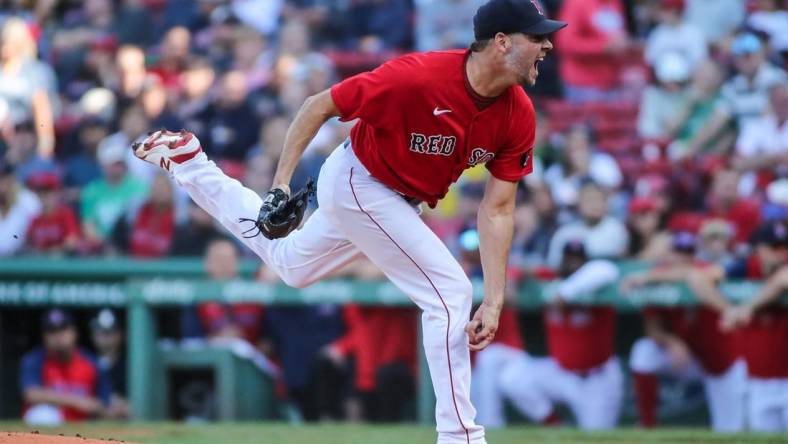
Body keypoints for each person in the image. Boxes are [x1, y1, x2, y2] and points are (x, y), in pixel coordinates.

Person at [132, 1, 566, 442]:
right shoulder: (418, 77)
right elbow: (317, 106)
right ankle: (462, 437)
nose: (548, 44)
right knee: (451, 294)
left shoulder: (518, 114)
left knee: (290, 266)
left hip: (397, 200)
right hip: (361, 179)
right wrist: (281, 184)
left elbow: (497, 209)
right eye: (537, 36)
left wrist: (493, 299)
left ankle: (190, 164)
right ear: (501, 41)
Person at [622, 232, 745, 432]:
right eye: (678, 251)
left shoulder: (702, 269)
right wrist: (672, 342)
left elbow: (700, 275)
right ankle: (647, 425)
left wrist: (645, 276)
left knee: (729, 430)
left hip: (721, 361)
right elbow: (652, 328)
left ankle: (730, 311)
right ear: (669, 253)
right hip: (686, 357)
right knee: (643, 351)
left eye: (688, 252)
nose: (683, 257)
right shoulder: (659, 275)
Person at [499, 241, 623, 430]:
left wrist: (566, 292)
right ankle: (555, 426)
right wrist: (513, 280)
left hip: (596, 379)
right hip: (561, 372)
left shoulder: (594, 281)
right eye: (568, 258)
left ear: (585, 261)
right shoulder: (551, 278)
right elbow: (517, 269)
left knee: (595, 438)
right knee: (512, 377)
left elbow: (607, 269)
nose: (572, 263)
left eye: (578, 259)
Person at [717, 220, 788, 433]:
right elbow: (697, 277)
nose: (781, 253)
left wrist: (747, 307)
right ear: (759, 249)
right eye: (774, 247)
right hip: (758, 381)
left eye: (784, 246)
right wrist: (728, 309)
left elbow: (783, 279)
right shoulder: (746, 268)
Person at [20, 309, 110, 425]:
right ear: (44, 337)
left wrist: (99, 406)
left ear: (74, 332)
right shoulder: (35, 359)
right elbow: (31, 394)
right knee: (43, 414)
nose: (58, 336)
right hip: (46, 429)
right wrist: (76, 401)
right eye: (52, 332)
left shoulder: (91, 362)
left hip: (83, 429)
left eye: (63, 329)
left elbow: (104, 403)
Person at [90, 308, 128, 419]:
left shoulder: (131, 366)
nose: (106, 338)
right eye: (101, 332)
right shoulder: (86, 362)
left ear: (120, 335)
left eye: (111, 332)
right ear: (93, 335)